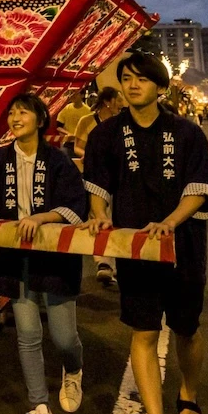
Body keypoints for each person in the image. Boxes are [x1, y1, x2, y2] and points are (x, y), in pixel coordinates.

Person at [83, 52, 208, 414]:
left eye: (141, 79)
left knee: (187, 328)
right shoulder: (105, 135)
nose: (132, 84)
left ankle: (189, 394)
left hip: (184, 243)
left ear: (160, 87)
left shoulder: (187, 133)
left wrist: (171, 222)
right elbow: (96, 187)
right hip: (135, 248)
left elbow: (200, 187)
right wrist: (98, 213)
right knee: (143, 330)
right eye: (126, 78)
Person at [0, 92, 89, 414]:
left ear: (40, 119)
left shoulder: (58, 161)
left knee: (64, 336)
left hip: (54, 258)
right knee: (27, 334)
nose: (15, 118)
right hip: (13, 257)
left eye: (23, 112)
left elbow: (74, 204)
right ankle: (40, 408)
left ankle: (74, 368)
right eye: (11, 113)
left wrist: (43, 217)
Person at [72, 86, 123, 287]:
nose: (121, 103)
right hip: (93, 176)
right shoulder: (87, 121)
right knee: (97, 217)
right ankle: (103, 263)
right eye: (118, 99)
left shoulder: (122, 124)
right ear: (108, 102)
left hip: (118, 179)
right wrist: (88, 154)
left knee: (117, 219)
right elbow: (76, 145)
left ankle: (117, 265)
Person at [55, 89, 91, 156]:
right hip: (68, 143)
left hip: (82, 143)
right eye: (71, 93)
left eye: (76, 93)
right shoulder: (66, 109)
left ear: (82, 95)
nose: (73, 95)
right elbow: (58, 126)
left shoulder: (88, 111)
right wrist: (68, 133)